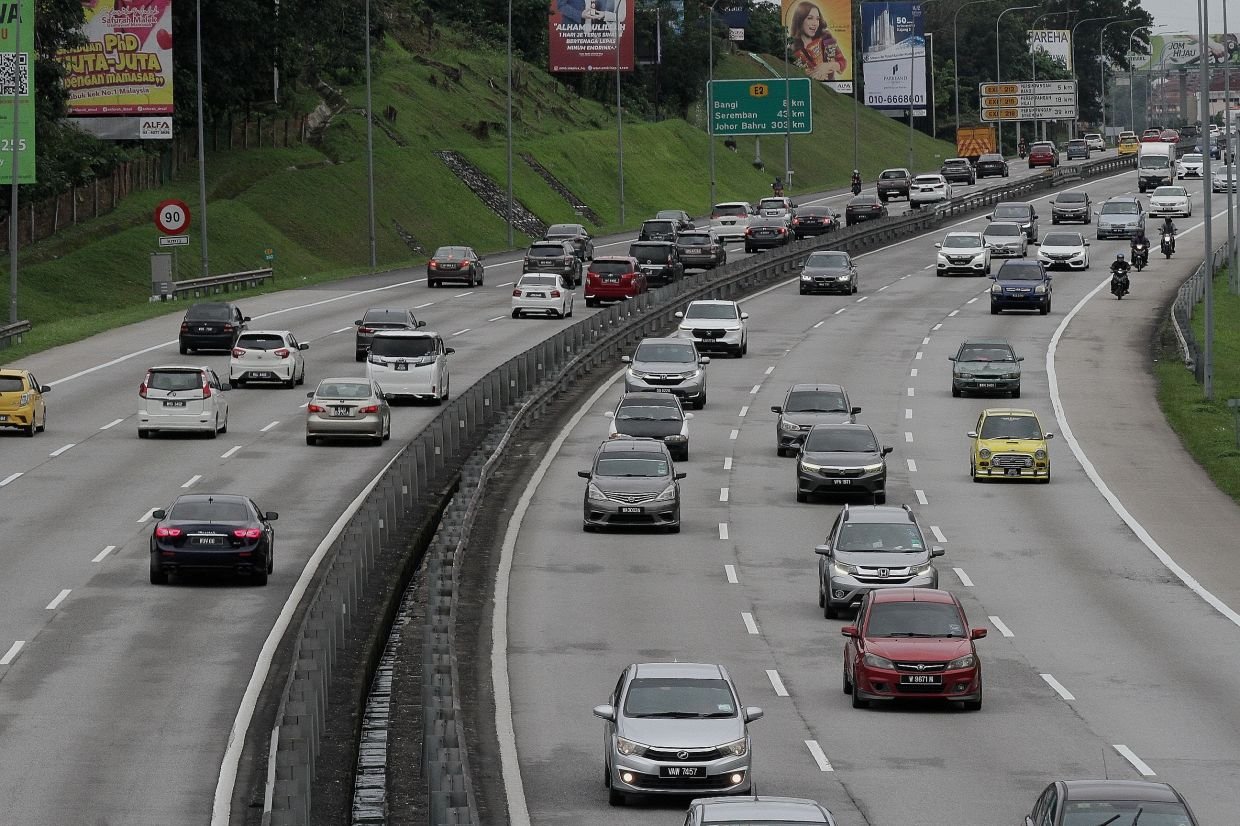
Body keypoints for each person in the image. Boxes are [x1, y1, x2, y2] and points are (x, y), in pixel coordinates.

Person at [788, 1, 846, 82]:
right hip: (807, 89)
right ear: (800, 20)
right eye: (810, 18)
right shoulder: (791, 50)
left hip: (832, 88)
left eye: (817, 19)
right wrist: (812, 74)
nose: (815, 23)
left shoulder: (826, 38)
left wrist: (828, 65)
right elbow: (792, 75)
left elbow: (842, 62)